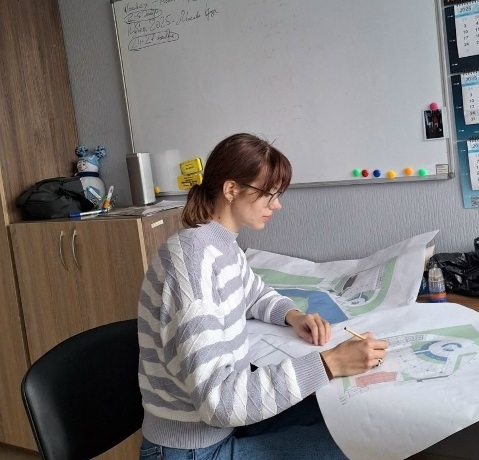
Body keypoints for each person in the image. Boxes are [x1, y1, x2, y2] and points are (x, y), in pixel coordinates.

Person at [137, 133, 388, 460]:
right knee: (356, 442)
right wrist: (330, 363)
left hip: (222, 427)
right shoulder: (192, 261)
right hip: (192, 448)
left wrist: (293, 315)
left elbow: (253, 293)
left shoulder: (222, 246)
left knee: (342, 414)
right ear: (231, 190)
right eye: (269, 194)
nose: (276, 205)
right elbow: (218, 402)